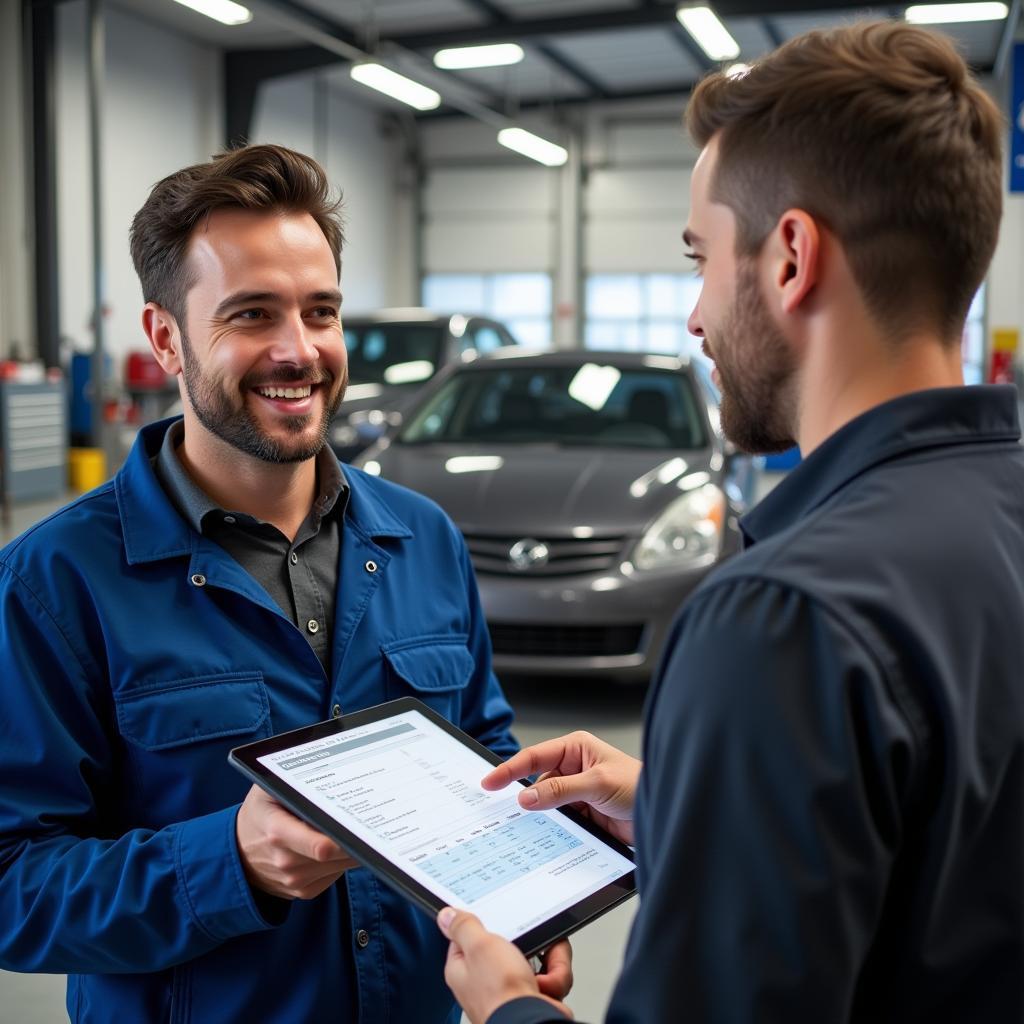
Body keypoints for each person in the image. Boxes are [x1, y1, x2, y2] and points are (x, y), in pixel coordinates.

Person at [435, 20, 1024, 1024]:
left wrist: (506, 1012)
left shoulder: (781, 617)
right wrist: (680, 802)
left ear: (791, 257)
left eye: (700, 258)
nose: (694, 315)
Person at [0, 144, 571, 1023]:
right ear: (166, 338)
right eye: (253, 315)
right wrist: (229, 860)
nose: (298, 351)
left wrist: (529, 896)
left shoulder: (423, 538)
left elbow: (485, 759)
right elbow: (13, 885)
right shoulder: (55, 581)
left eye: (321, 311)